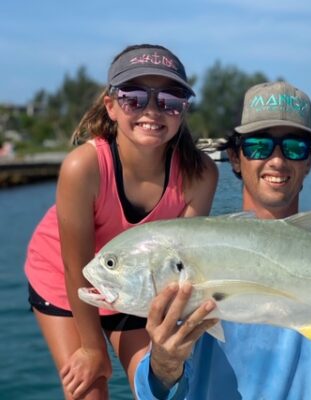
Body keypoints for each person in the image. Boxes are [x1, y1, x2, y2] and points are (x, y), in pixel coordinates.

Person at [134, 81, 311, 399]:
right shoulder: (190, 254)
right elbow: (153, 392)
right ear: (235, 158)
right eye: (259, 145)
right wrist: (164, 364)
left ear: (308, 162)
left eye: (293, 147)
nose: (277, 160)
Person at [24, 44, 218, 399]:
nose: (152, 110)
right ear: (111, 106)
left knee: (163, 386)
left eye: (169, 100)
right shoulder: (83, 168)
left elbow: (183, 264)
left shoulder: (199, 175)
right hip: (63, 277)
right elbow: (74, 267)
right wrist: (92, 348)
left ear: (182, 111)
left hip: (141, 282)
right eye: (134, 97)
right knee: (90, 389)